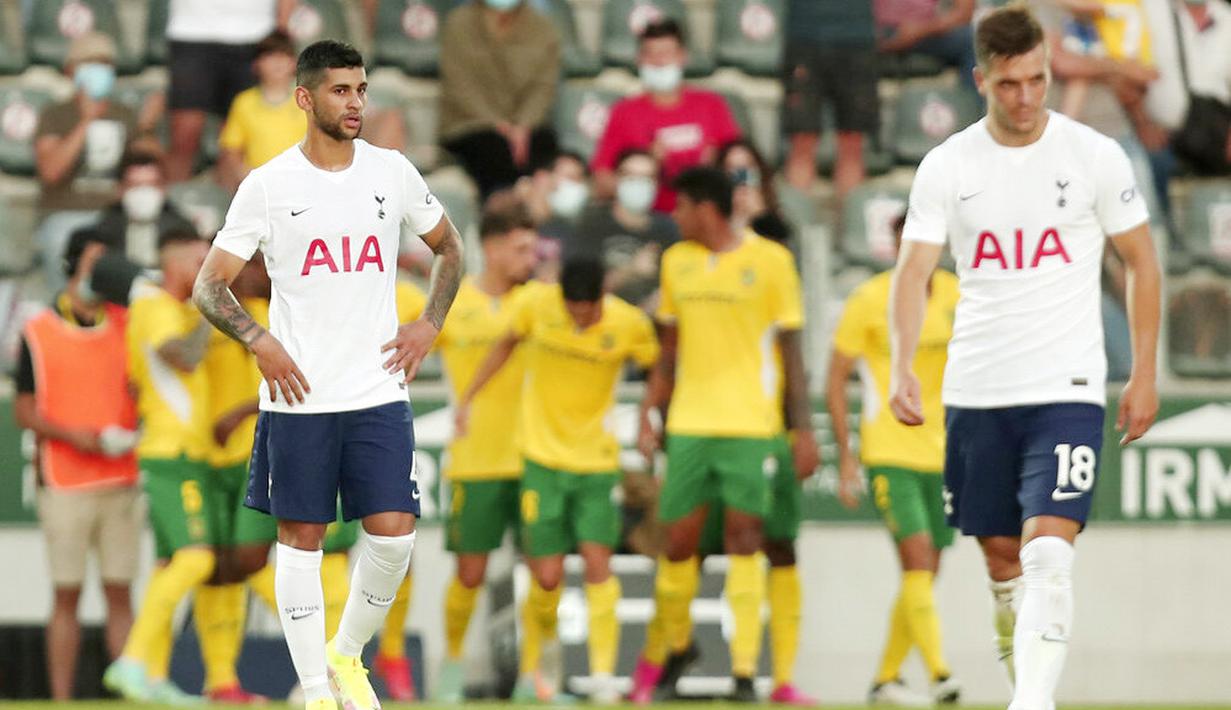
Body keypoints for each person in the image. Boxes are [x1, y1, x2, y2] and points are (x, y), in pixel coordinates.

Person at [887, 8, 1161, 710]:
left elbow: (1140, 260)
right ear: (981, 80)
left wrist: (1143, 371)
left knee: (1047, 551)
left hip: (1065, 386)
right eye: (1009, 85)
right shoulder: (947, 165)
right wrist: (899, 366)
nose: (1026, 97)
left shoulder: (1093, 155)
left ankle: (1030, 705)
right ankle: (1027, 685)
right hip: (977, 390)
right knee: (1003, 562)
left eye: (1037, 80)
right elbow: (912, 272)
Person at [191, 40, 463, 710]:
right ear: (305, 98)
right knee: (301, 540)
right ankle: (315, 690)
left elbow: (450, 247)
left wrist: (429, 322)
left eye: (362, 90)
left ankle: (344, 655)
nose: (356, 104)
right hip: (298, 397)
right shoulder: (268, 185)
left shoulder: (391, 172)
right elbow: (208, 286)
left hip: (376, 389)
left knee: (394, 534)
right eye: (341, 91)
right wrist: (259, 340)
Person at [637, 168, 820, 702]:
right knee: (677, 543)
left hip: (750, 424)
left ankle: (744, 673)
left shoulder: (771, 262)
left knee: (746, 541)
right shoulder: (678, 262)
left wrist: (803, 430)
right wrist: (651, 410)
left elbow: (791, 352)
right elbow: (668, 352)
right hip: (690, 424)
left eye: (681, 207)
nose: (674, 217)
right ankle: (678, 647)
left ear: (706, 208)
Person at [455, 257, 659, 704]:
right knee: (545, 577)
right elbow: (505, 344)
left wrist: (648, 417)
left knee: (597, 564)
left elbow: (658, 364)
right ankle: (541, 667)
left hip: (596, 462)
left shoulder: (628, 323)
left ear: (601, 298)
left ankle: (604, 675)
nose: (581, 318)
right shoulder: (536, 305)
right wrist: (469, 397)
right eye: (574, 310)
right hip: (542, 461)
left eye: (588, 310)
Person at [828, 214, 961, 706]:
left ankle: (885, 679)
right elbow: (835, 377)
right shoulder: (868, 299)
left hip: (944, 454)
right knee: (918, 559)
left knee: (924, 574)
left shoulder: (957, 295)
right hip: (889, 449)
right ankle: (941, 673)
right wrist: (846, 457)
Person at [15, 229, 140, 701]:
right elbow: (24, 410)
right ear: (70, 267)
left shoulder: (128, 323)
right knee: (66, 595)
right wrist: (77, 437)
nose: (100, 275)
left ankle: (131, 695)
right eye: (93, 264)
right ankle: (62, 700)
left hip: (121, 477)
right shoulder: (39, 329)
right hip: (64, 481)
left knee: (120, 594)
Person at [430, 191, 538, 704]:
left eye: (533, 249)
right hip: (475, 458)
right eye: (520, 249)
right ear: (491, 248)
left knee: (543, 570)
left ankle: (536, 676)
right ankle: (452, 666)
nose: (529, 260)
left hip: (538, 456)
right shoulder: (455, 302)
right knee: (469, 573)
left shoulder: (541, 303)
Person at [103, 230, 216, 706]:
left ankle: (152, 674)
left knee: (169, 565)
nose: (207, 274)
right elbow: (184, 357)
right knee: (197, 558)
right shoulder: (153, 305)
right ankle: (131, 662)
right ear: (173, 266)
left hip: (186, 452)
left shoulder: (172, 306)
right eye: (200, 263)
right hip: (171, 453)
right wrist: (218, 306)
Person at [591, 19, 742, 213]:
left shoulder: (712, 105)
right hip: (650, 220)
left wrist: (716, 170)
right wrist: (640, 176)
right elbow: (600, 181)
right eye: (650, 54)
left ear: (682, 56)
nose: (659, 61)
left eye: (666, 53)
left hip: (708, 219)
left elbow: (743, 167)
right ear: (639, 60)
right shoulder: (623, 112)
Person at [34, 32, 141, 291]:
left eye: (104, 63)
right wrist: (86, 121)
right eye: (89, 62)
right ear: (70, 71)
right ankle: (68, 317)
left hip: (115, 215)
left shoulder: (125, 115)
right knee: (61, 241)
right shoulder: (55, 115)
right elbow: (51, 171)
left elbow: (144, 167)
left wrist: (146, 128)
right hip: (65, 214)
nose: (99, 69)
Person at [439, 0, 561, 201]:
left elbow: (543, 86)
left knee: (544, 146)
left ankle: (535, 215)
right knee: (493, 150)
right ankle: (502, 217)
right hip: (470, 125)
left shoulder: (543, 27)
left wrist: (523, 125)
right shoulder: (459, 24)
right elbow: (460, 86)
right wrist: (497, 124)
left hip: (526, 127)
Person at [164, 0, 294, 181]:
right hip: (191, 31)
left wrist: (281, 25)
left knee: (235, 140)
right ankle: (171, 202)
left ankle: (232, 204)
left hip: (255, 33)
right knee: (185, 132)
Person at [780, 0, 880, 196]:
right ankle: (796, 221)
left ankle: (851, 224)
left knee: (852, 141)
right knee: (802, 140)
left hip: (856, 37)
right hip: (804, 35)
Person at [572, 150, 678, 311]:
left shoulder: (669, 229)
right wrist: (631, 270)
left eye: (647, 178)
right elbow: (580, 291)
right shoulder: (591, 224)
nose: (638, 185)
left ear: (657, 184)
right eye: (631, 177)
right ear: (616, 179)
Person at [217, 30, 307, 192]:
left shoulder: (309, 102)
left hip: (301, 186)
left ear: (294, 63)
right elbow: (231, 148)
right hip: (259, 189)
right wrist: (245, 176)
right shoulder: (243, 103)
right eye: (270, 55)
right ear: (256, 64)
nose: (278, 62)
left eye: (284, 55)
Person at [94, 148, 198, 268]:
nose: (143, 193)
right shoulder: (101, 234)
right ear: (120, 190)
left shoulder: (184, 232)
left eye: (152, 184)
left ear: (164, 189)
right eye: (135, 185)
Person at [875, 0, 979, 92]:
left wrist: (919, 30)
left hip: (926, 31)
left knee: (970, 40)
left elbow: (964, 13)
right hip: (875, 30)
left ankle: (973, 109)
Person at [718, 139, 793, 246]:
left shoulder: (780, 210)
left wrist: (761, 216)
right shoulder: (714, 214)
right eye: (732, 168)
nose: (741, 176)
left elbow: (782, 250)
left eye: (747, 167)